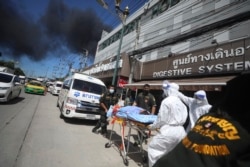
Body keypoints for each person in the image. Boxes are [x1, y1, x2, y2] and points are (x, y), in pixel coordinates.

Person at [153, 73, 250, 167]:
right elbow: (183, 96)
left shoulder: (208, 108)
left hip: (201, 132)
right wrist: (172, 89)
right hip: (191, 131)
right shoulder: (194, 104)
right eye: (196, 97)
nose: (198, 99)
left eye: (200, 97)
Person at [147, 81, 188, 167]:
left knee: (153, 149)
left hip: (169, 131)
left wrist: (152, 127)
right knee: (172, 153)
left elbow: (161, 118)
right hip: (181, 132)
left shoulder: (167, 101)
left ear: (169, 90)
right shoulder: (182, 103)